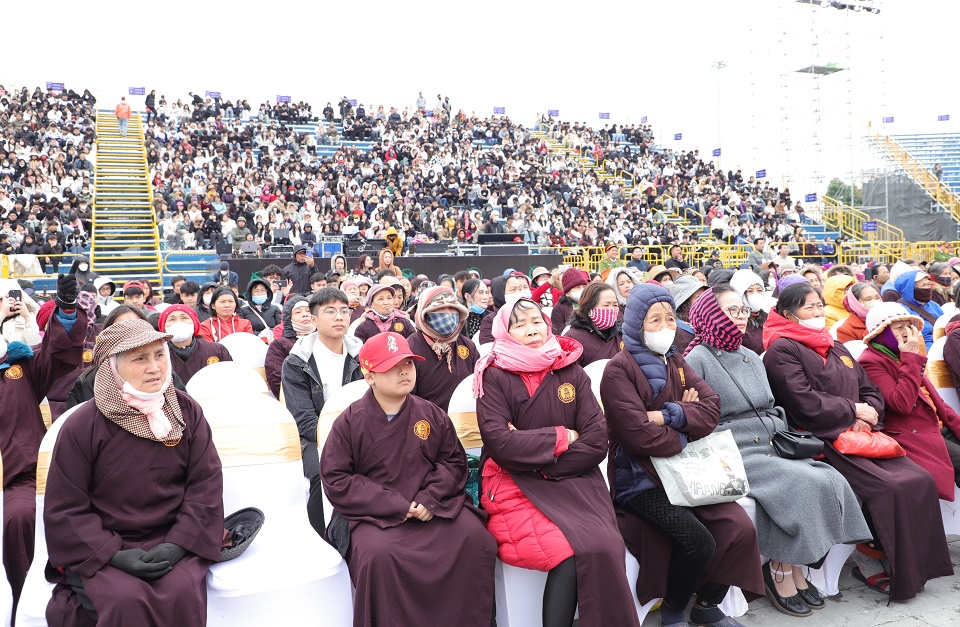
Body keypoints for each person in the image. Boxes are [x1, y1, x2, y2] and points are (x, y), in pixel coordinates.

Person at [685, 285, 871, 617]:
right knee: (800, 482)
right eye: (730, 311)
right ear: (710, 315)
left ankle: (795, 564)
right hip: (734, 449)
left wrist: (775, 425)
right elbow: (701, 419)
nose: (740, 317)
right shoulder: (696, 359)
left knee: (828, 477)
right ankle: (780, 569)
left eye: (742, 310)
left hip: (770, 441)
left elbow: (771, 405)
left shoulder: (748, 354)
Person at [762, 281, 952, 600]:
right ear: (788, 314)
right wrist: (852, 411)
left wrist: (868, 414)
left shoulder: (832, 345)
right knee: (890, 487)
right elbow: (802, 401)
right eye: (809, 307)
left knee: (920, 478)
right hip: (825, 439)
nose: (819, 312)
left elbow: (870, 391)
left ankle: (917, 567)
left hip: (863, 434)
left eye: (821, 305)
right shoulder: (782, 348)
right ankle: (872, 563)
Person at [601, 284, 764, 627]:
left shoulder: (676, 359)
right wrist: (687, 424)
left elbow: (712, 408)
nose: (665, 327)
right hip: (641, 479)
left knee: (740, 528)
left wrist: (667, 414)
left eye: (669, 318)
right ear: (634, 324)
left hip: (687, 470)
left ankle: (707, 604)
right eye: (654, 320)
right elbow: (637, 436)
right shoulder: (619, 370)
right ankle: (674, 609)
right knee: (698, 541)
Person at [44, 320, 224, 626]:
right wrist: (111, 554)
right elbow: (66, 506)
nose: (154, 367)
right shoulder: (82, 424)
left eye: (159, 355)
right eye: (139, 358)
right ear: (112, 367)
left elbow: (204, 484)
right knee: (126, 600)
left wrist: (179, 543)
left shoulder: (186, 410)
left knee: (180, 590)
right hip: (108, 546)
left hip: (173, 538)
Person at [475, 298, 641, 627]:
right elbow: (501, 443)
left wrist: (541, 460)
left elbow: (596, 440)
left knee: (605, 545)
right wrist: (563, 436)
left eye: (536, 321)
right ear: (504, 332)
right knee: (567, 553)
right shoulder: (494, 375)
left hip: (573, 477)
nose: (531, 330)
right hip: (513, 484)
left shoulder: (570, 368)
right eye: (519, 324)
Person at [321, 332, 496, 627]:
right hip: (375, 515)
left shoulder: (431, 414)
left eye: (409, 364)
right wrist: (396, 505)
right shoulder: (350, 422)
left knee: (476, 539)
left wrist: (430, 498)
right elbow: (337, 479)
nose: (404, 371)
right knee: (379, 557)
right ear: (369, 375)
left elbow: (453, 461)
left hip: (433, 507)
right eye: (392, 366)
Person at [0, 273, 85, 607]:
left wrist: (64, 312)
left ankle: (25, 603)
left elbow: (58, 355)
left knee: (20, 517)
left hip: (18, 477)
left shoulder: (16, 368)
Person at [282, 287, 363, 535]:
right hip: (314, 438)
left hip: (362, 433)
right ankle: (319, 535)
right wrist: (341, 440)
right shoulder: (297, 361)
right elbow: (303, 418)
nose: (339, 317)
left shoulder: (361, 355)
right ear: (314, 319)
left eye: (344, 311)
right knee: (322, 472)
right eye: (330, 311)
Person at [858, 303, 960, 499]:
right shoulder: (871, 361)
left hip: (937, 426)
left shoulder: (901, 354)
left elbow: (936, 402)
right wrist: (910, 357)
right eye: (898, 327)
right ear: (880, 332)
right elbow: (901, 404)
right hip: (915, 434)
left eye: (908, 326)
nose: (906, 332)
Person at [158, 305, 233, 384]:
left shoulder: (216, 350)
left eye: (184, 318)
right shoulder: (159, 356)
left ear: (194, 323)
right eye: (172, 319)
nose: (179, 323)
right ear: (163, 328)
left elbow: (231, 378)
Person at [265, 297, 315, 398]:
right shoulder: (280, 345)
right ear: (289, 318)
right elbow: (276, 379)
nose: (305, 314)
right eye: (298, 312)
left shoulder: (325, 340)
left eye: (308, 311)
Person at [563, 282, 622, 366]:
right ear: (589, 309)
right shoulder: (572, 339)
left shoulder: (622, 334)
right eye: (606, 305)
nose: (612, 310)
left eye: (615, 305)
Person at [895, 269, 943, 350]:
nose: (927, 288)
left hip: (942, 344)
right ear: (909, 289)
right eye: (923, 285)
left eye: (929, 285)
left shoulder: (933, 305)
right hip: (924, 350)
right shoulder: (901, 310)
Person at [551, 268, 587, 336]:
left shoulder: (592, 303)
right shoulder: (559, 308)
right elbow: (559, 333)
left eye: (584, 286)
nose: (582, 290)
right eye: (577, 287)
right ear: (567, 293)